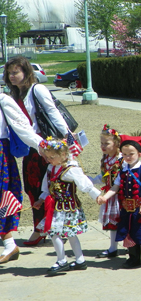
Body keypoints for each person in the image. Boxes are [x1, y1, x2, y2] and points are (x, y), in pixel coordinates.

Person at [4, 56, 70, 246]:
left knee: (54, 187)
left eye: (16, 72)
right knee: (33, 188)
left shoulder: (37, 89)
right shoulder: (15, 94)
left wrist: (68, 139)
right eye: (9, 73)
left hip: (47, 145)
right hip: (31, 148)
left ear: (26, 72)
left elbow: (53, 112)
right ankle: (40, 227)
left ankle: (58, 227)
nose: (12, 76)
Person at [34, 137, 101, 275]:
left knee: (62, 233)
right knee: (58, 233)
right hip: (55, 208)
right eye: (47, 157)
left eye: (52, 157)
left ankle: (63, 261)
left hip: (69, 208)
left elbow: (85, 184)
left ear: (63, 155)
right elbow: (47, 187)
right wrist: (40, 200)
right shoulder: (51, 168)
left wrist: (97, 196)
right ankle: (79, 260)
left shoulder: (71, 169)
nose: (48, 160)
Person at [98, 135, 141, 268]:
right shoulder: (122, 171)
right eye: (125, 154)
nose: (128, 157)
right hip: (126, 209)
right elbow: (115, 187)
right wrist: (105, 197)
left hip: (140, 208)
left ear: (139, 154)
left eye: (131, 154)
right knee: (129, 234)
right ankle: (134, 258)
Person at [0, 93, 43, 263]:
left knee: (3, 198)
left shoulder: (2, 99)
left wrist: (42, 145)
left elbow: (22, 126)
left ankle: (9, 244)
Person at [89, 124, 123, 258]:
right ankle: (113, 248)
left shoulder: (121, 159)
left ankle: (132, 246)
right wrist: (90, 180)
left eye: (106, 143)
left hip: (120, 194)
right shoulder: (106, 159)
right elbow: (104, 177)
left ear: (116, 143)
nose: (103, 146)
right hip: (110, 193)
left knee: (123, 220)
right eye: (101, 143)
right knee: (112, 221)